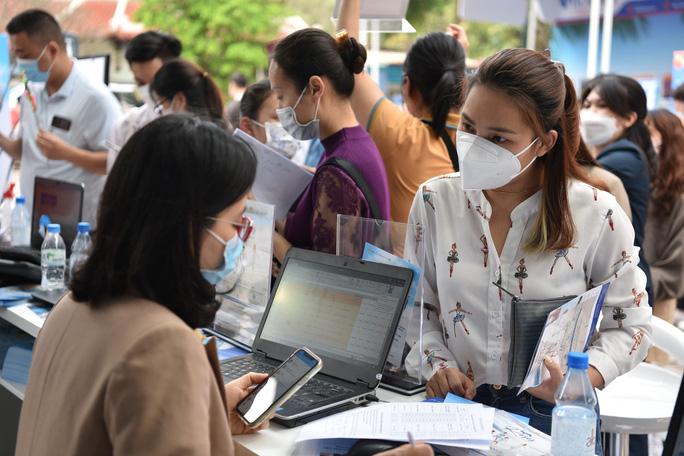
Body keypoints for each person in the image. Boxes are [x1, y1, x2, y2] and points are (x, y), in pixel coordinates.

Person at [404, 49, 651, 452]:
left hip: (553, 416)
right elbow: (417, 310)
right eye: (467, 127)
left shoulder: (595, 214)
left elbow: (632, 325)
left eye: (498, 138)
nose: (473, 145)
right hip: (455, 409)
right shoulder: (435, 201)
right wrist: (438, 364)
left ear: (544, 143)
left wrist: (582, 380)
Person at [337, 0, 467, 222]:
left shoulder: (403, 136)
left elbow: (346, 58)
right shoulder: (483, 138)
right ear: (461, 82)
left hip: (405, 258)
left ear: (407, 86)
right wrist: (456, 54)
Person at [269, 28, 391, 261]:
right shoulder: (352, 143)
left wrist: (267, 232)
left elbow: (325, 275)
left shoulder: (338, 169)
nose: (279, 108)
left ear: (315, 88)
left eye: (281, 96)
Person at [0, 9, 122, 224]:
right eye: (16, 55)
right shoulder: (32, 92)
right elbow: (25, 149)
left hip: (78, 227)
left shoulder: (95, 99)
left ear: (52, 50)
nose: (19, 64)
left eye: (24, 56)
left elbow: (113, 163)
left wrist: (67, 153)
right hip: (32, 217)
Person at [580, 74, 656, 304]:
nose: (591, 112)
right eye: (587, 104)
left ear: (629, 118)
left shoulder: (620, 162)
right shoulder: (619, 155)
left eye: (603, 106)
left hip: (621, 287)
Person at [106, 31, 182, 172]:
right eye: (140, 82)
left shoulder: (197, 128)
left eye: (155, 82)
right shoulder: (126, 127)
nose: (149, 90)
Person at [644, 109, 684, 359]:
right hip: (632, 294)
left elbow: (676, 265)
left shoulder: (678, 194)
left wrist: (637, 280)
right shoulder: (644, 182)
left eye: (651, 132)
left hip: (658, 300)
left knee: (653, 378)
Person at [151, 59, 226, 128]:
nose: (161, 112)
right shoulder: (221, 128)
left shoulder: (186, 139)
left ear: (179, 100)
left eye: (161, 104)